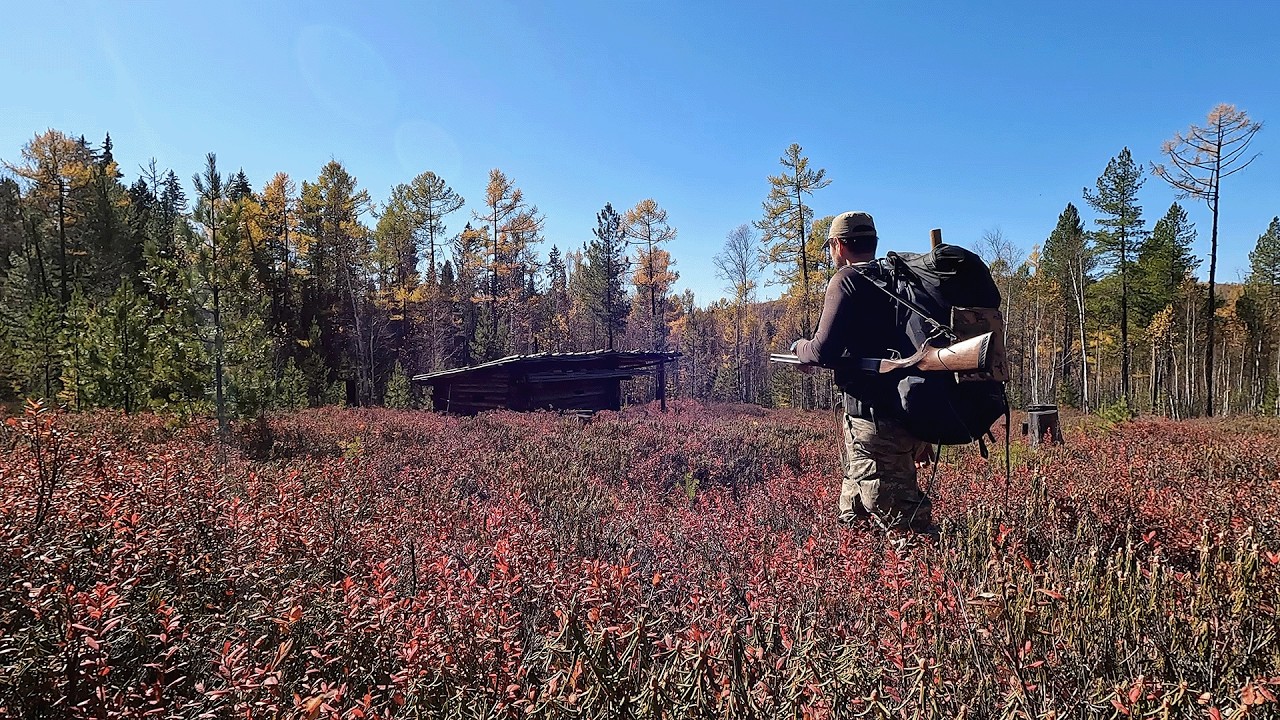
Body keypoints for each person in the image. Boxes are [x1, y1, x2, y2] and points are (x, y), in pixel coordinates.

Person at [790, 211, 934, 533]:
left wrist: (799, 347)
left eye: (830, 246)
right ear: (874, 243)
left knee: (905, 521)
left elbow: (822, 350)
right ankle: (848, 558)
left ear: (839, 245)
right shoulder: (897, 280)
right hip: (906, 412)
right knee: (855, 506)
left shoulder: (847, 280)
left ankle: (932, 574)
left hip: (874, 421)